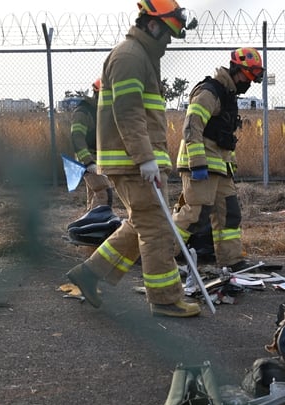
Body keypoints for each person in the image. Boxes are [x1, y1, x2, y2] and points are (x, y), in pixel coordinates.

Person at [66, 0, 200, 317]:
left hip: (133, 160)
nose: (168, 44)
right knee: (156, 230)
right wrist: (145, 159)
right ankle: (165, 300)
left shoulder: (139, 55)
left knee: (140, 223)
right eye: (167, 35)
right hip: (133, 162)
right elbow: (128, 114)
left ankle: (89, 274)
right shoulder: (130, 57)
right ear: (152, 25)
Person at [171, 48, 265, 272]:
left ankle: (231, 261)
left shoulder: (228, 94)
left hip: (219, 167)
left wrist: (229, 166)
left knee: (229, 213)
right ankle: (159, 257)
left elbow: (224, 139)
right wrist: (198, 163)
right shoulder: (209, 92)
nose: (248, 83)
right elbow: (192, 127)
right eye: (246, 77)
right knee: (194, 215)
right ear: (235, 70)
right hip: (200, 165)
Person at [70, 78, 113, 210]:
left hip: (97, 162)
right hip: (87, 162)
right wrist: (88, 162)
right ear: (98, 94)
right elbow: (77, 137)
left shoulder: (100, 111)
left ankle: (88, 227)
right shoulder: (83, 112)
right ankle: (98, 226)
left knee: (94, 196)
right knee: (104, 192)